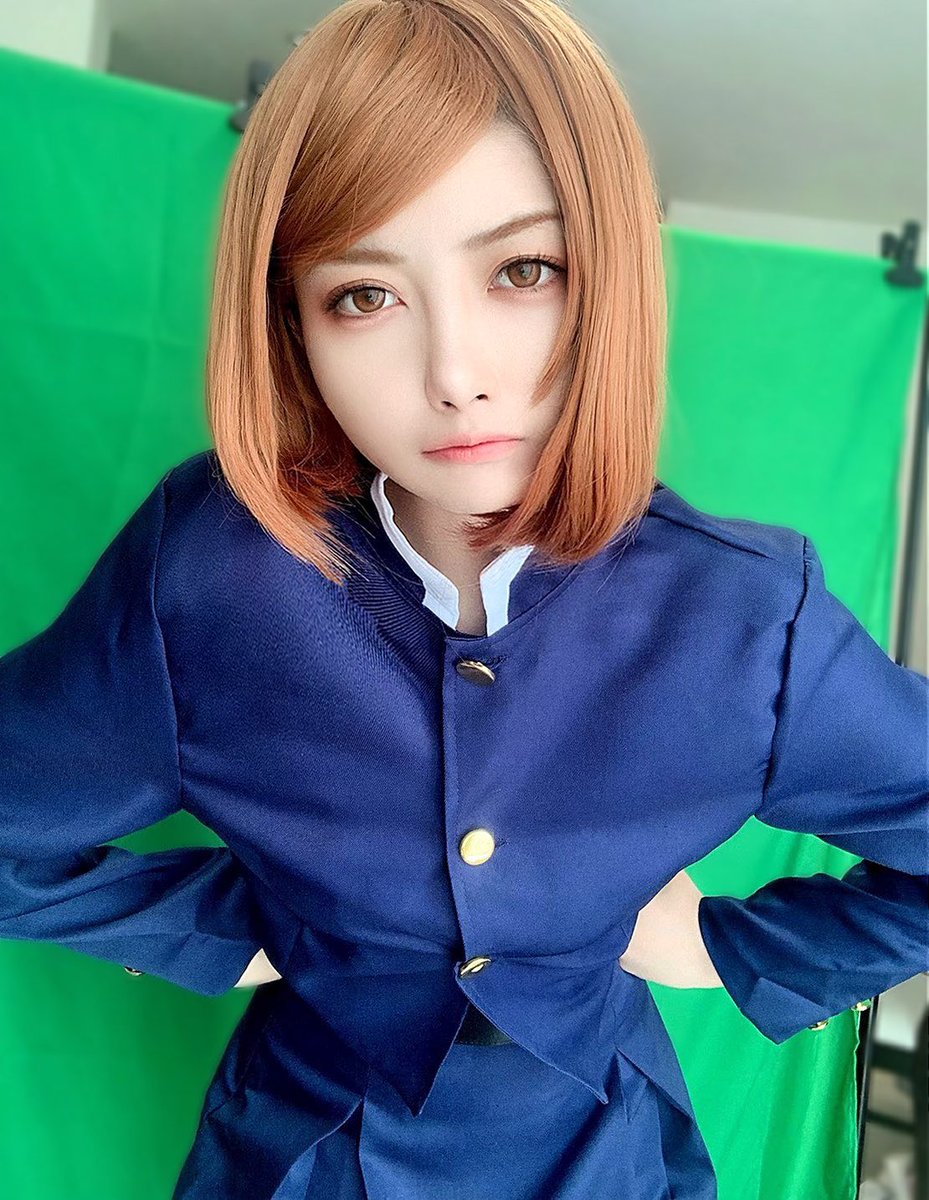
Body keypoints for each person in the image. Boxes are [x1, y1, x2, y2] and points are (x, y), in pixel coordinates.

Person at [0, 2, 926, 1197]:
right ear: (291, 326)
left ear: (607, 277)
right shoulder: (209, 577)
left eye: (521, 271)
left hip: (599, 1156)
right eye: (362, 295)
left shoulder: (743, 619)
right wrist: (212, 928)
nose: (453, 374)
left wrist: (721, 945)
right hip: (302, 1156)